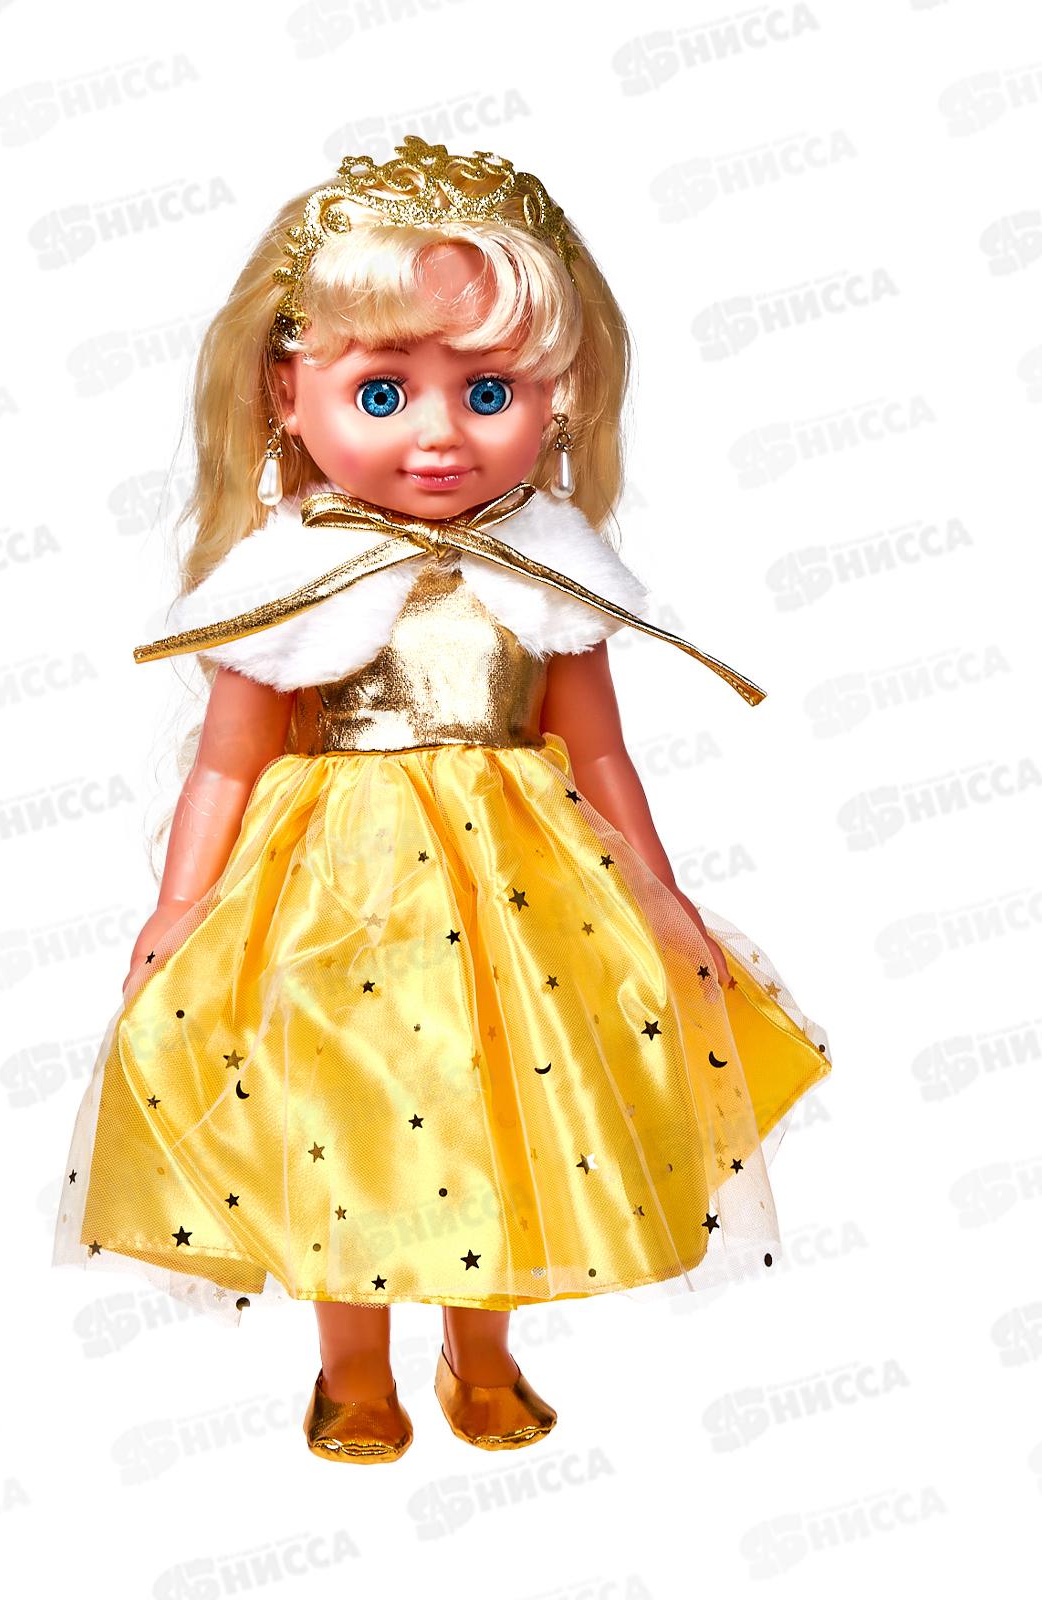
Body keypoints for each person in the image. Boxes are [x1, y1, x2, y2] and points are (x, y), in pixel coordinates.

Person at [52, 136, 832, 1464]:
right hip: (331, 906)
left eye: (488, 391)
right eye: (381, 391)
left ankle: (485, 1351)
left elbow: (601, 756)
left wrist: (661, 894)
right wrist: (180, 905)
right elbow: (228, 762)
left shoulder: (548, 568)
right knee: (339, 1124)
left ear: (558, 398)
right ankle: (352, 1368)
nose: (437, 433)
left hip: (524, 907)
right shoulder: (289, 576)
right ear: (286, 393)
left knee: (504, 1116)